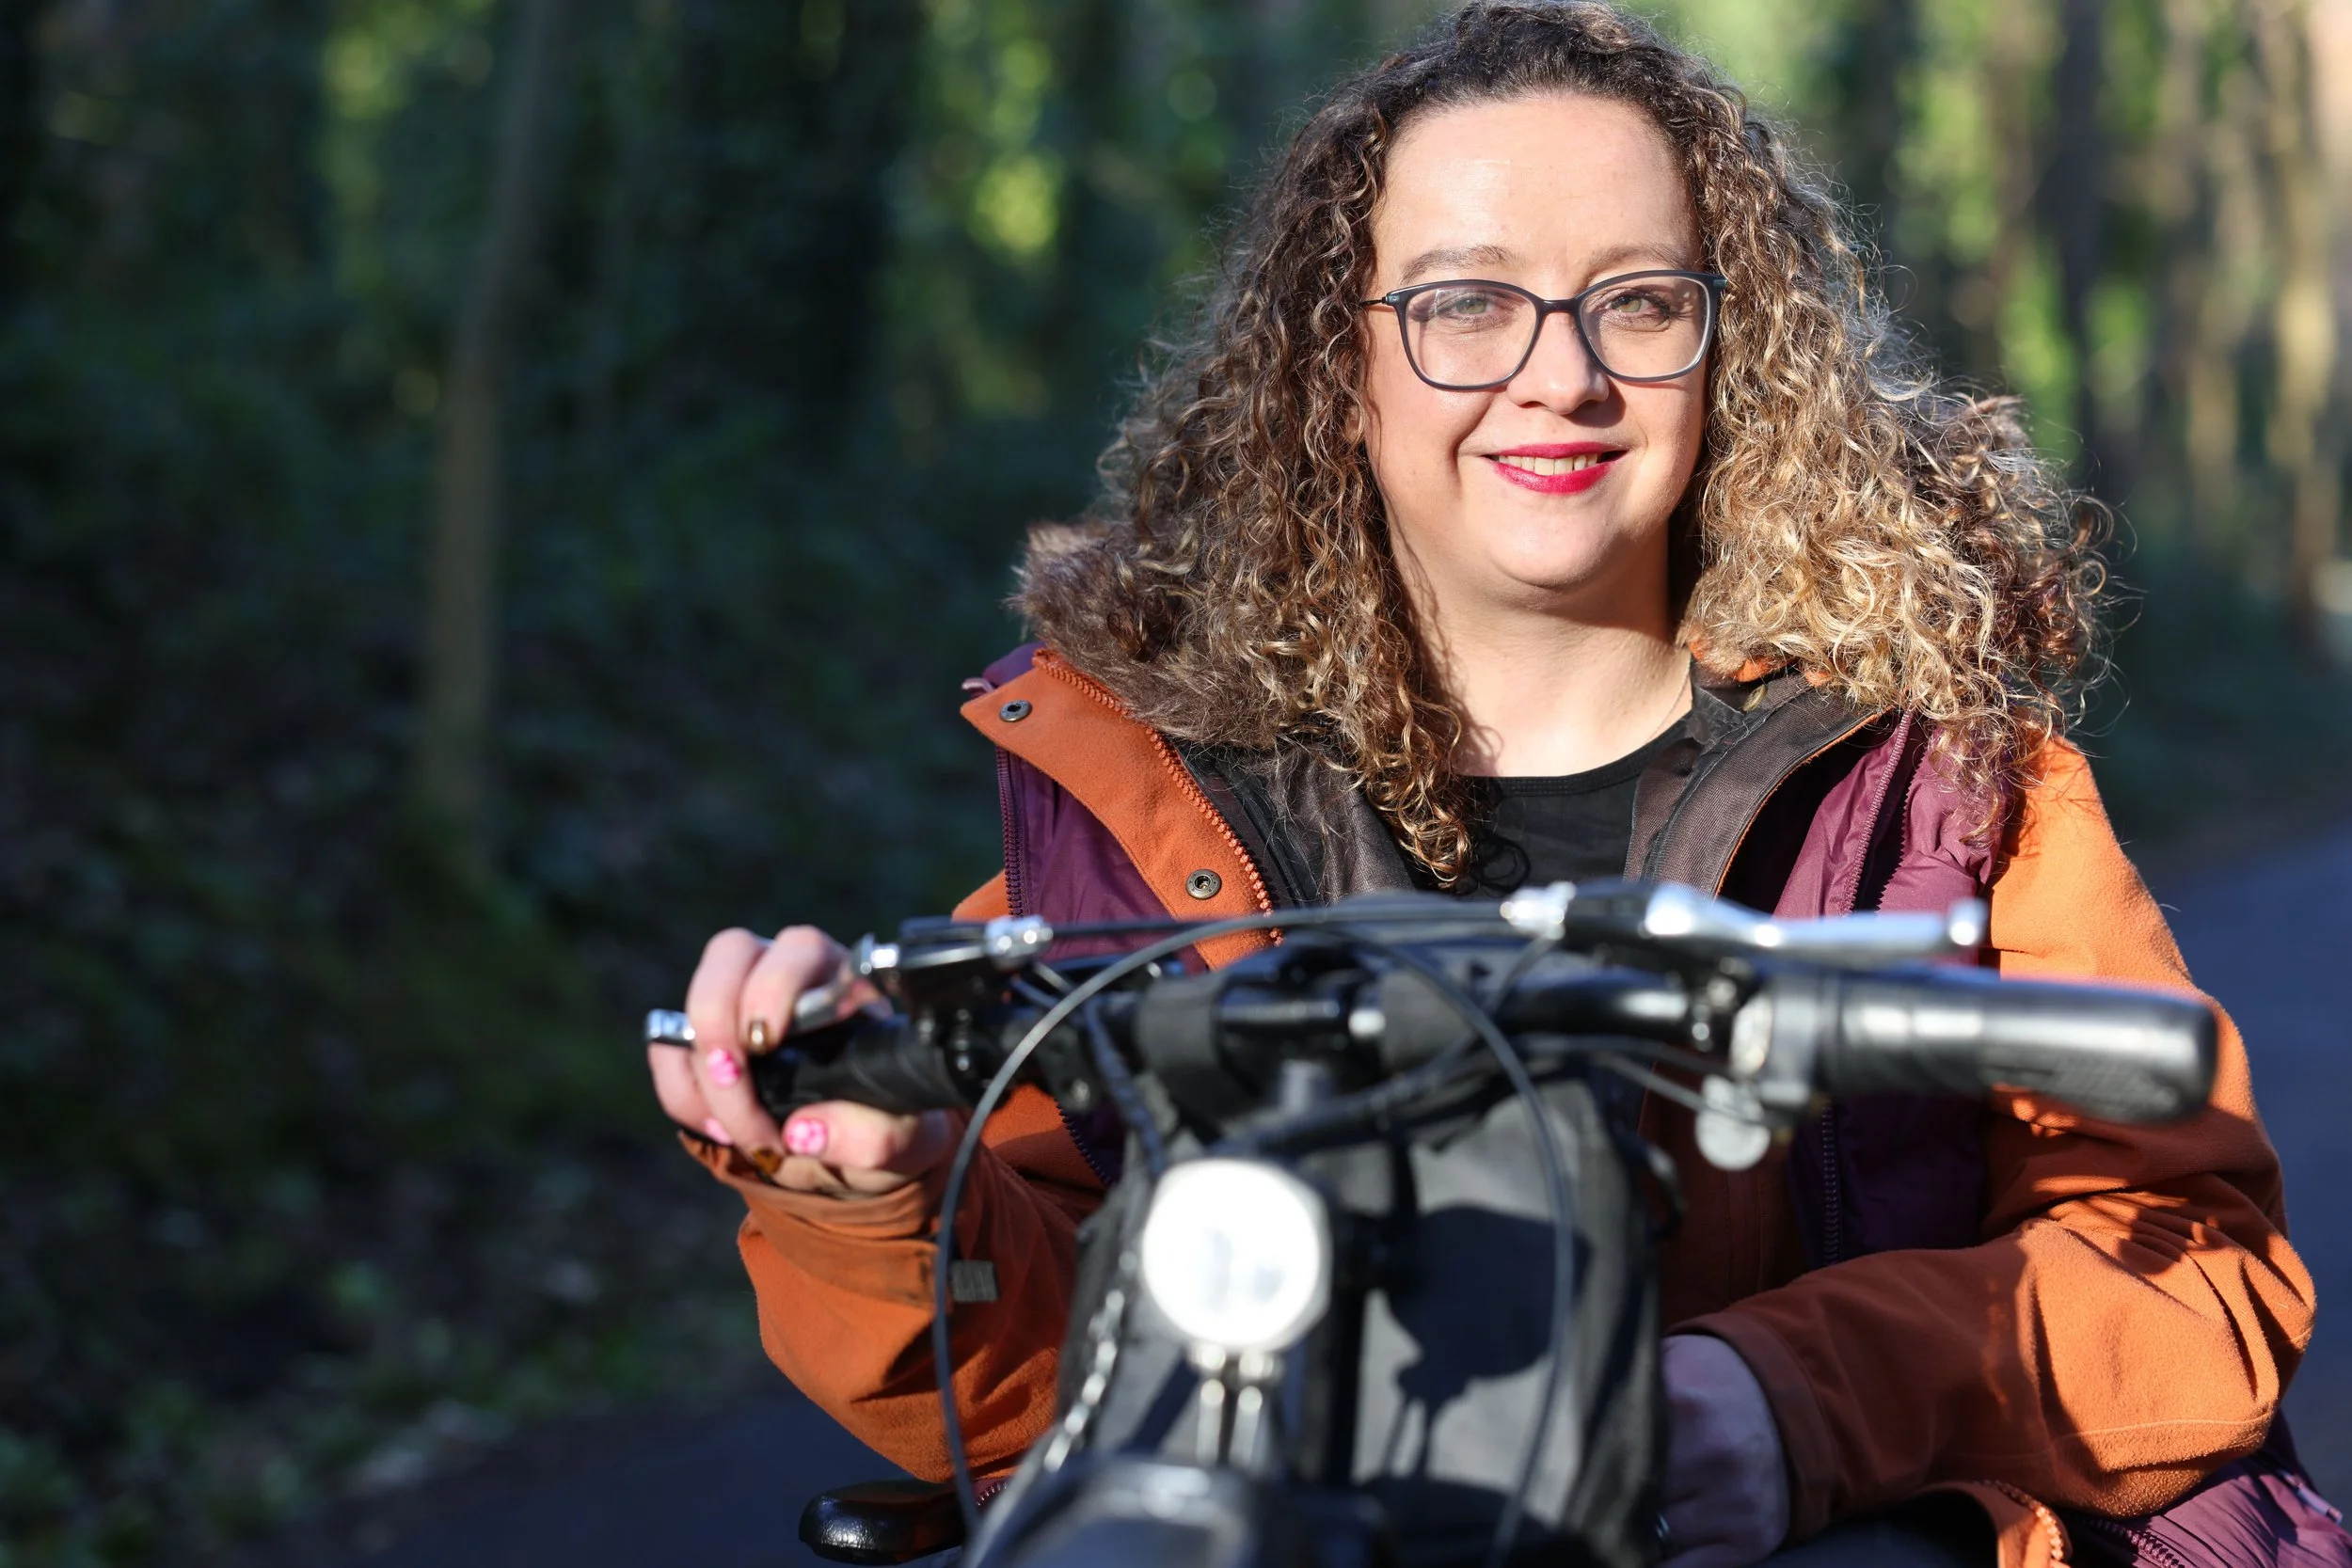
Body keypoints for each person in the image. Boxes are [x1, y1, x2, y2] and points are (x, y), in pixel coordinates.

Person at [645, 5, 2348, 1564]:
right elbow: (1029, 1411)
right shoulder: (1151, 812)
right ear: (1339, 363)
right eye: (1464, 301)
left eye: (1640, 300)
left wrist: (1802, 1401)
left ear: (1728, 351)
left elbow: (2189, 1272)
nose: (1563, 375)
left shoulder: (1951, 793)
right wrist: (878, 1184)